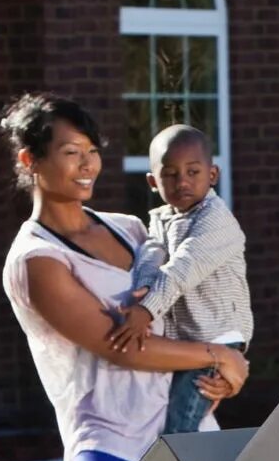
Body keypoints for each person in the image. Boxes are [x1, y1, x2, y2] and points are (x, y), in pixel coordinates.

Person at [0, 93, 249, 461]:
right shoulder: (35, 261)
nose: (86, 167)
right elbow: (119, 344)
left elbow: (186, 311)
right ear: (31, 161)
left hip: (184, 427)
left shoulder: (134, 228)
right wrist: (218, 356)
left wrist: (228, 365)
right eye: (69, 154)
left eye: (92, 154)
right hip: (108, 442)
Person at [105, 124, 254, 434]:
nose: (182, 181)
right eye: (170, 174)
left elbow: (182, 269)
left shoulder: (216, 221)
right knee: (168, 409)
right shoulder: (162, 217)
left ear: (212, 175)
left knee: (181, 422)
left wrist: (146, 310)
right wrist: (144, 286)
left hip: (218, 335)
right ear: (153, 182)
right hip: (190, 338)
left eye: (193, 172)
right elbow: (152, 251)